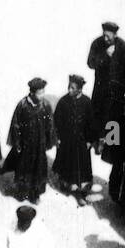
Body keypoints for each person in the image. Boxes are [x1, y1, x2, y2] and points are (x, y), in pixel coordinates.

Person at [4, 79, 56, 202]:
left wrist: (49, 141)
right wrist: (17, 143)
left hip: (39, 144)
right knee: (23, 168)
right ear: (32, 93)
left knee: (38, 169)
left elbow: (50, 124)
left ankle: (35, 194)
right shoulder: (22, 105)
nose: (42, 95)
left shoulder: (45, 105)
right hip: (25, 144)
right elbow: (15, 125)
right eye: (39, 93)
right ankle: (22, 192)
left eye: (43, 92)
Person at [52, 75, 96, 204]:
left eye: (73, 88)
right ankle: (66, 184)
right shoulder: (63, 101)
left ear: (80, 90)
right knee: (66, 164)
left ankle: (81, 193)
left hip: (82, 143)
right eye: (69, 87)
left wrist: (89, 140)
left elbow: (91, 123)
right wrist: (58, 138)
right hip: (66, 141)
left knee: (81, 168)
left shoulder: (87, 102)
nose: (69, 90)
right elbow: (57, 121)